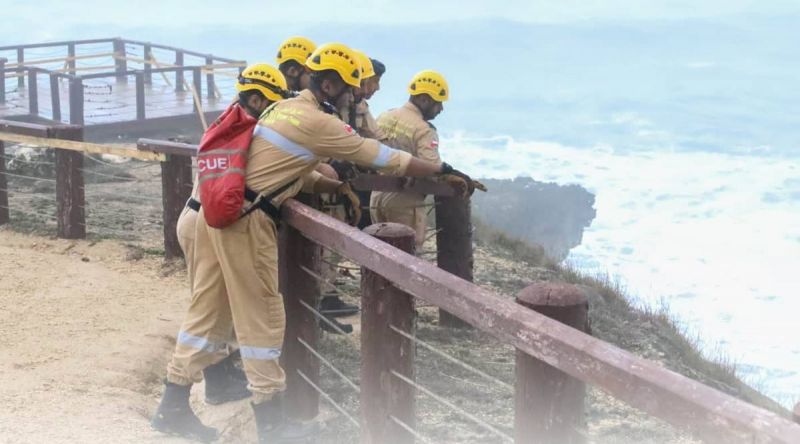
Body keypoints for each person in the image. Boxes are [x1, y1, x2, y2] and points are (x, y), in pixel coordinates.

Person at [153, 42, 475, 443]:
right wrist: (444, 170)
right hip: (247, 224)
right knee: (264, 316)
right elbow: (381, 156)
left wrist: (334, 184)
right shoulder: (319, 122)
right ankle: (271, 422)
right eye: (352, 89)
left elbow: (289, 171)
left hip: (219, 216)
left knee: (210, 312)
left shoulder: (282, 109)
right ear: (331, 85)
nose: (355, 96)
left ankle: (172, 403)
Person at [153, 63, 291, 441]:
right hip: (209, 224)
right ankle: (184, 400)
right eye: (273, 104)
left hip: (200, 219)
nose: (276, 113)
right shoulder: (250, 130)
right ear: (257, 97)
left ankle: (185, 399)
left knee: (213, 310)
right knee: (211, 311)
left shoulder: (229, 123)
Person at [370, 69, 449, 247]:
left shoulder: (385, 116)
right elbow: (432, 168)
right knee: (407, 255)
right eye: (438, 103)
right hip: (404, 200)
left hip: (376, 195)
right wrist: (451, 176)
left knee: (381, 252)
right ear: (424, 99)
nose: (441, 109)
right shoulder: (424, 130)